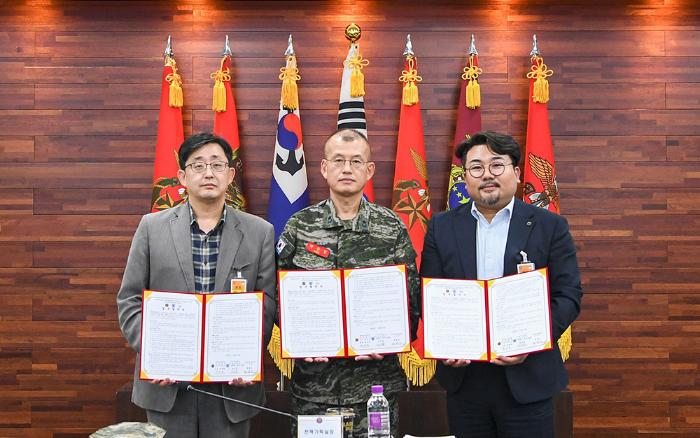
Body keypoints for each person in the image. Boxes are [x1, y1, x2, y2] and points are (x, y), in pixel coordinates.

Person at [421, 131, 583, 438]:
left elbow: (568, 295)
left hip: (529, 378)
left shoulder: (550, 226)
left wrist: (531, 341)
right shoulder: (441, 227)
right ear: (465, 177)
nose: (487, 176)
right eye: (476, 168)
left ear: (516, 172)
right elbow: (430, 293)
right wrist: (445, 345)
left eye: (497, 165)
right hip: (465, 380)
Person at [117, 132, 276, 438]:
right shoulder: (151, 228)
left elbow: (267, 302)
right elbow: (129, 300)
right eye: (198, 165)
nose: (208, 173)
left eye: (217, 165)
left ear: (230, 175)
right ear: (182, 176)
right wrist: (154, 354)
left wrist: (248, 355)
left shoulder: (260, 233)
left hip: (233, 387)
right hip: (167, 387)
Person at [276, 128, 420, 438]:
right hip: (314, 389)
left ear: (369, 171)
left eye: (356, 161)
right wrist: (298, 337)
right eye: (338, 160)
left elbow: (411, 296)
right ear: (324, 168)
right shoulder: (300, 227)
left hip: (375, 389)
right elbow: (278, 294)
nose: (346, 168)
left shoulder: (391, 226)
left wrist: (390, 339)